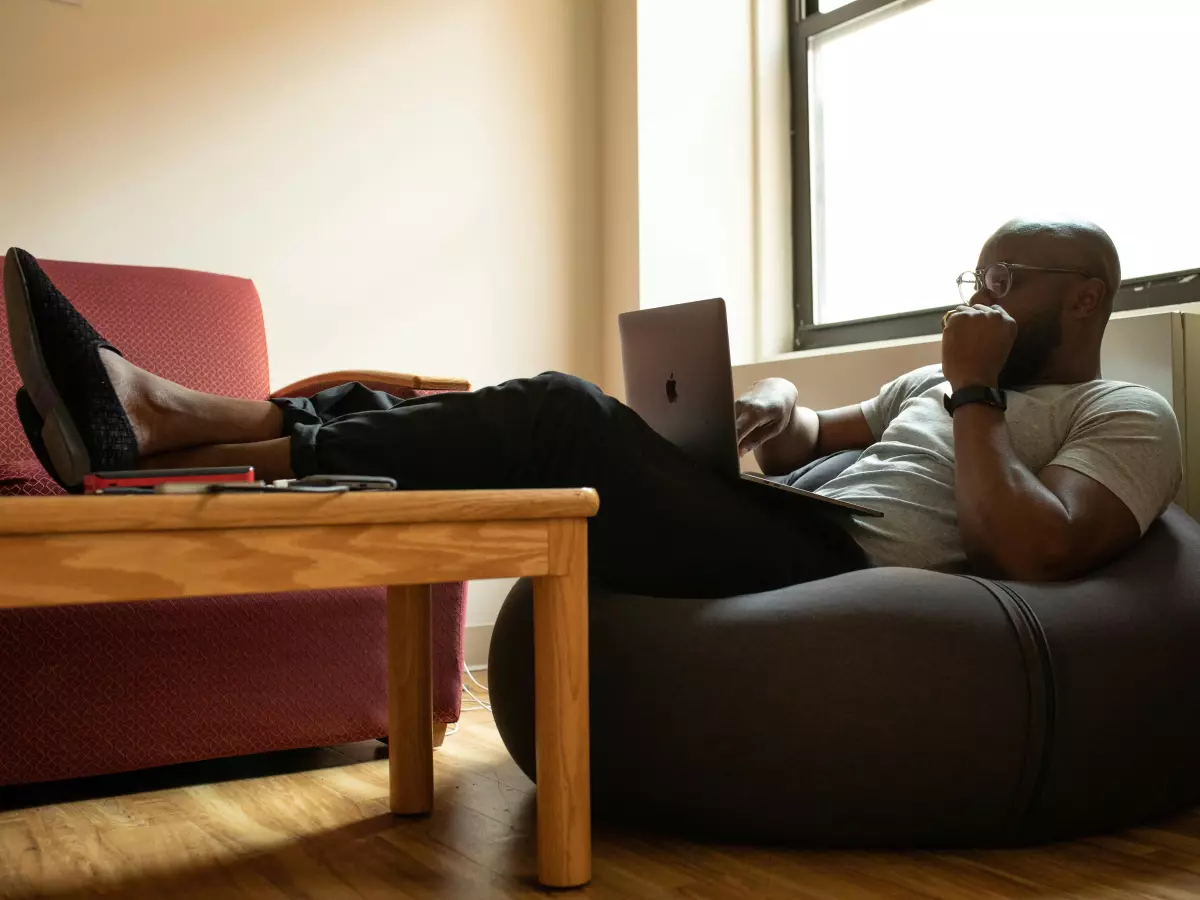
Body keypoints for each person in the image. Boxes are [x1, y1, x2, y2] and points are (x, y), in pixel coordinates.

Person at [3, 218, 1180, 597]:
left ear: (1081, 300)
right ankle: (169, 430)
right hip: (780, 514)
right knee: (471, 412)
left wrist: (972, 386)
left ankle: (163, 420)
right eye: (971, 277)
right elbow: (820, 437)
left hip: (831, 567)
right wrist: (773, 405)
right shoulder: (929, 384)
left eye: (1001, 283)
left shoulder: (1125, 416)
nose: (974, 299)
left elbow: (1030, 548)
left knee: (558, 413)